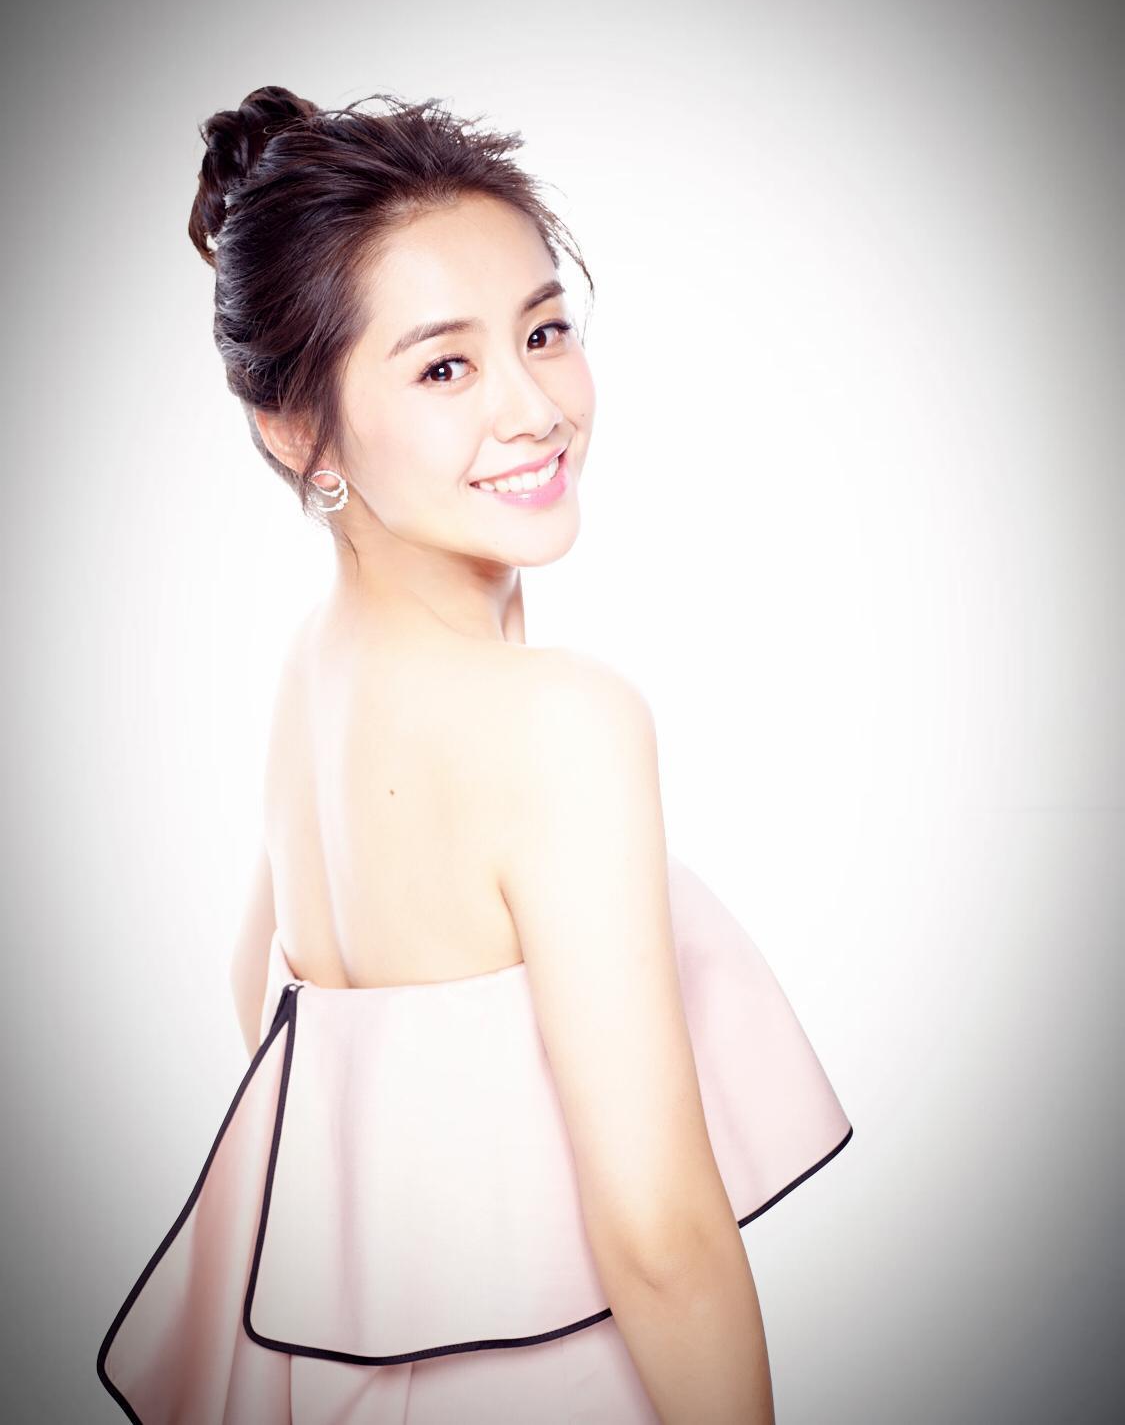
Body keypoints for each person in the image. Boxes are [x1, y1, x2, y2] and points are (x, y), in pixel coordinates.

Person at [96, 85, 853, 1424]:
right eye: (444, 368)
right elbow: (661, 1240)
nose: (534, 406)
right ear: (299, 432)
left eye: (543, 331)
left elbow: (262, 1005)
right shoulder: (561, 720)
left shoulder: (311, 672)